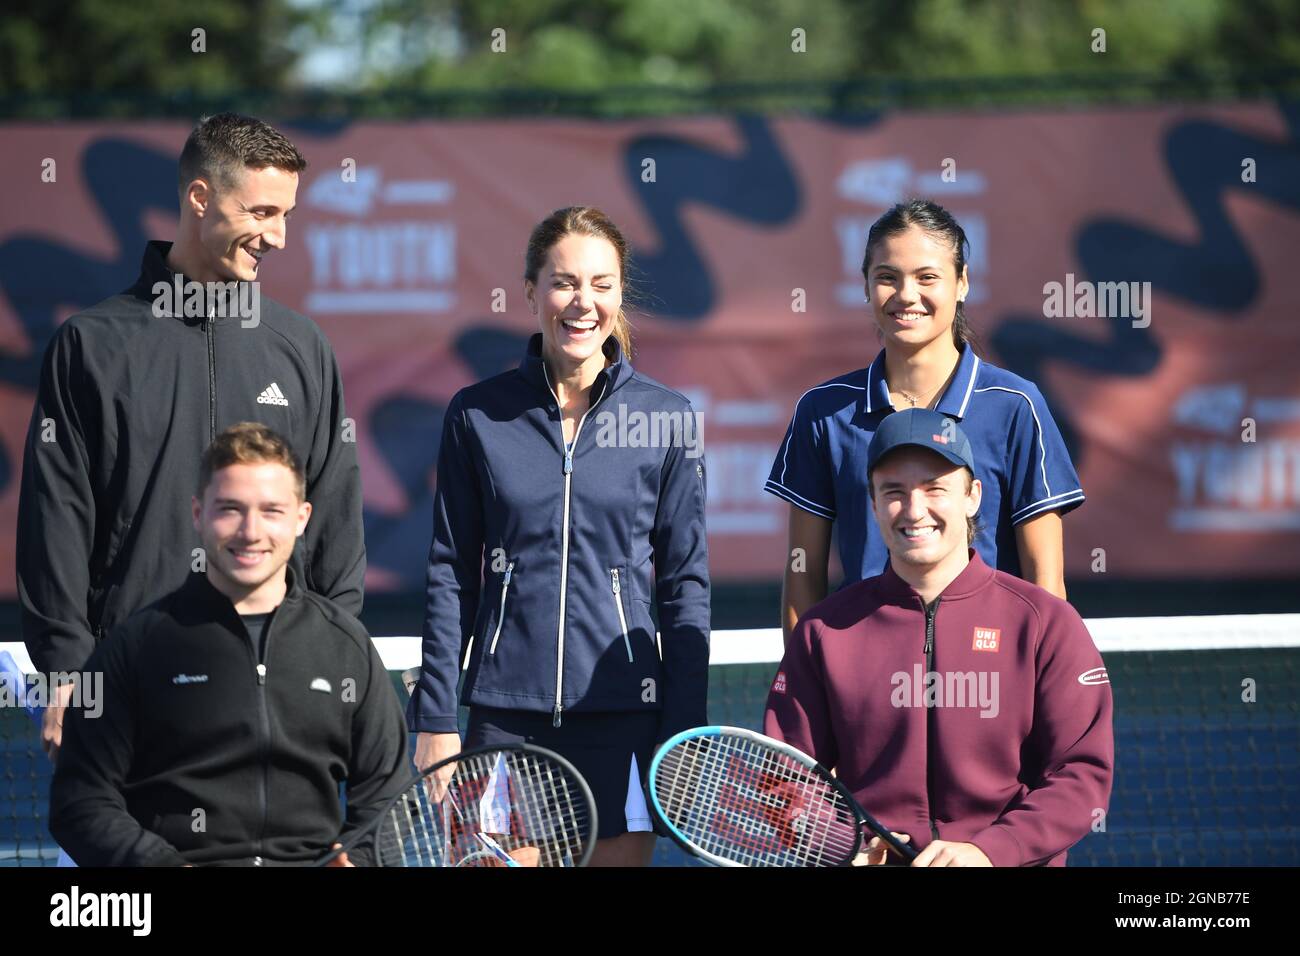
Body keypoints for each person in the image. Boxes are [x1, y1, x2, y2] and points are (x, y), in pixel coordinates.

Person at [18, 112, 365, 762]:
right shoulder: (90, 345)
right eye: (262, 212)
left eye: (287, 214)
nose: (279, 237)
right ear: (200, 197)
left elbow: (334, 529)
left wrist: (332, 662)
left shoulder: (302, 348)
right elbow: (55, 523)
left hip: (275, 698)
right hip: (129, 696)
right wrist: (67, 674)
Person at [407, 206, 711, 867]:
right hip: (503, 718)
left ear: (620, 293)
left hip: (626, 717)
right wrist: (434, 718)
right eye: (564, 282)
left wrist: (684, 728)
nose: (583, 302)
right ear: (531, 290)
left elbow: (686, 585)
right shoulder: (477, 414)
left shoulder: (667, 418)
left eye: (602, 284)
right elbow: (450, 573)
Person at [765, 408, 1113, 866]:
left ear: (972, 496)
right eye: (894, 491)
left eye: (935, 488)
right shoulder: (823, 632)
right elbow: (786, 779)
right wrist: (843, 844)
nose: (914, 510)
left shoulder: (1045, 622)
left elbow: (1080, 776)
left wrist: (987, 852)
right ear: (871, 503)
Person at [49, 424, 407, 866]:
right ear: (198, 513)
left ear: (302, 517)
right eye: (230, 509)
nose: (250, 531)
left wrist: (362, 859)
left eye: (271, 510)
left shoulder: (346, 647)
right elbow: (80, 802)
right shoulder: (134, 649)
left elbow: (386, 798)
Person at [766, 198, 1083, 642]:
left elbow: (1046, 584)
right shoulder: (823, 412)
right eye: (887, 278)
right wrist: (803, 684)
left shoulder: (1016, 405)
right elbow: (803, 574)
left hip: (989, 674)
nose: (906, 295)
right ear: (865, 286)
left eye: (927, 277)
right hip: (863, 673)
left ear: (962, 283)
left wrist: (1037, 689)